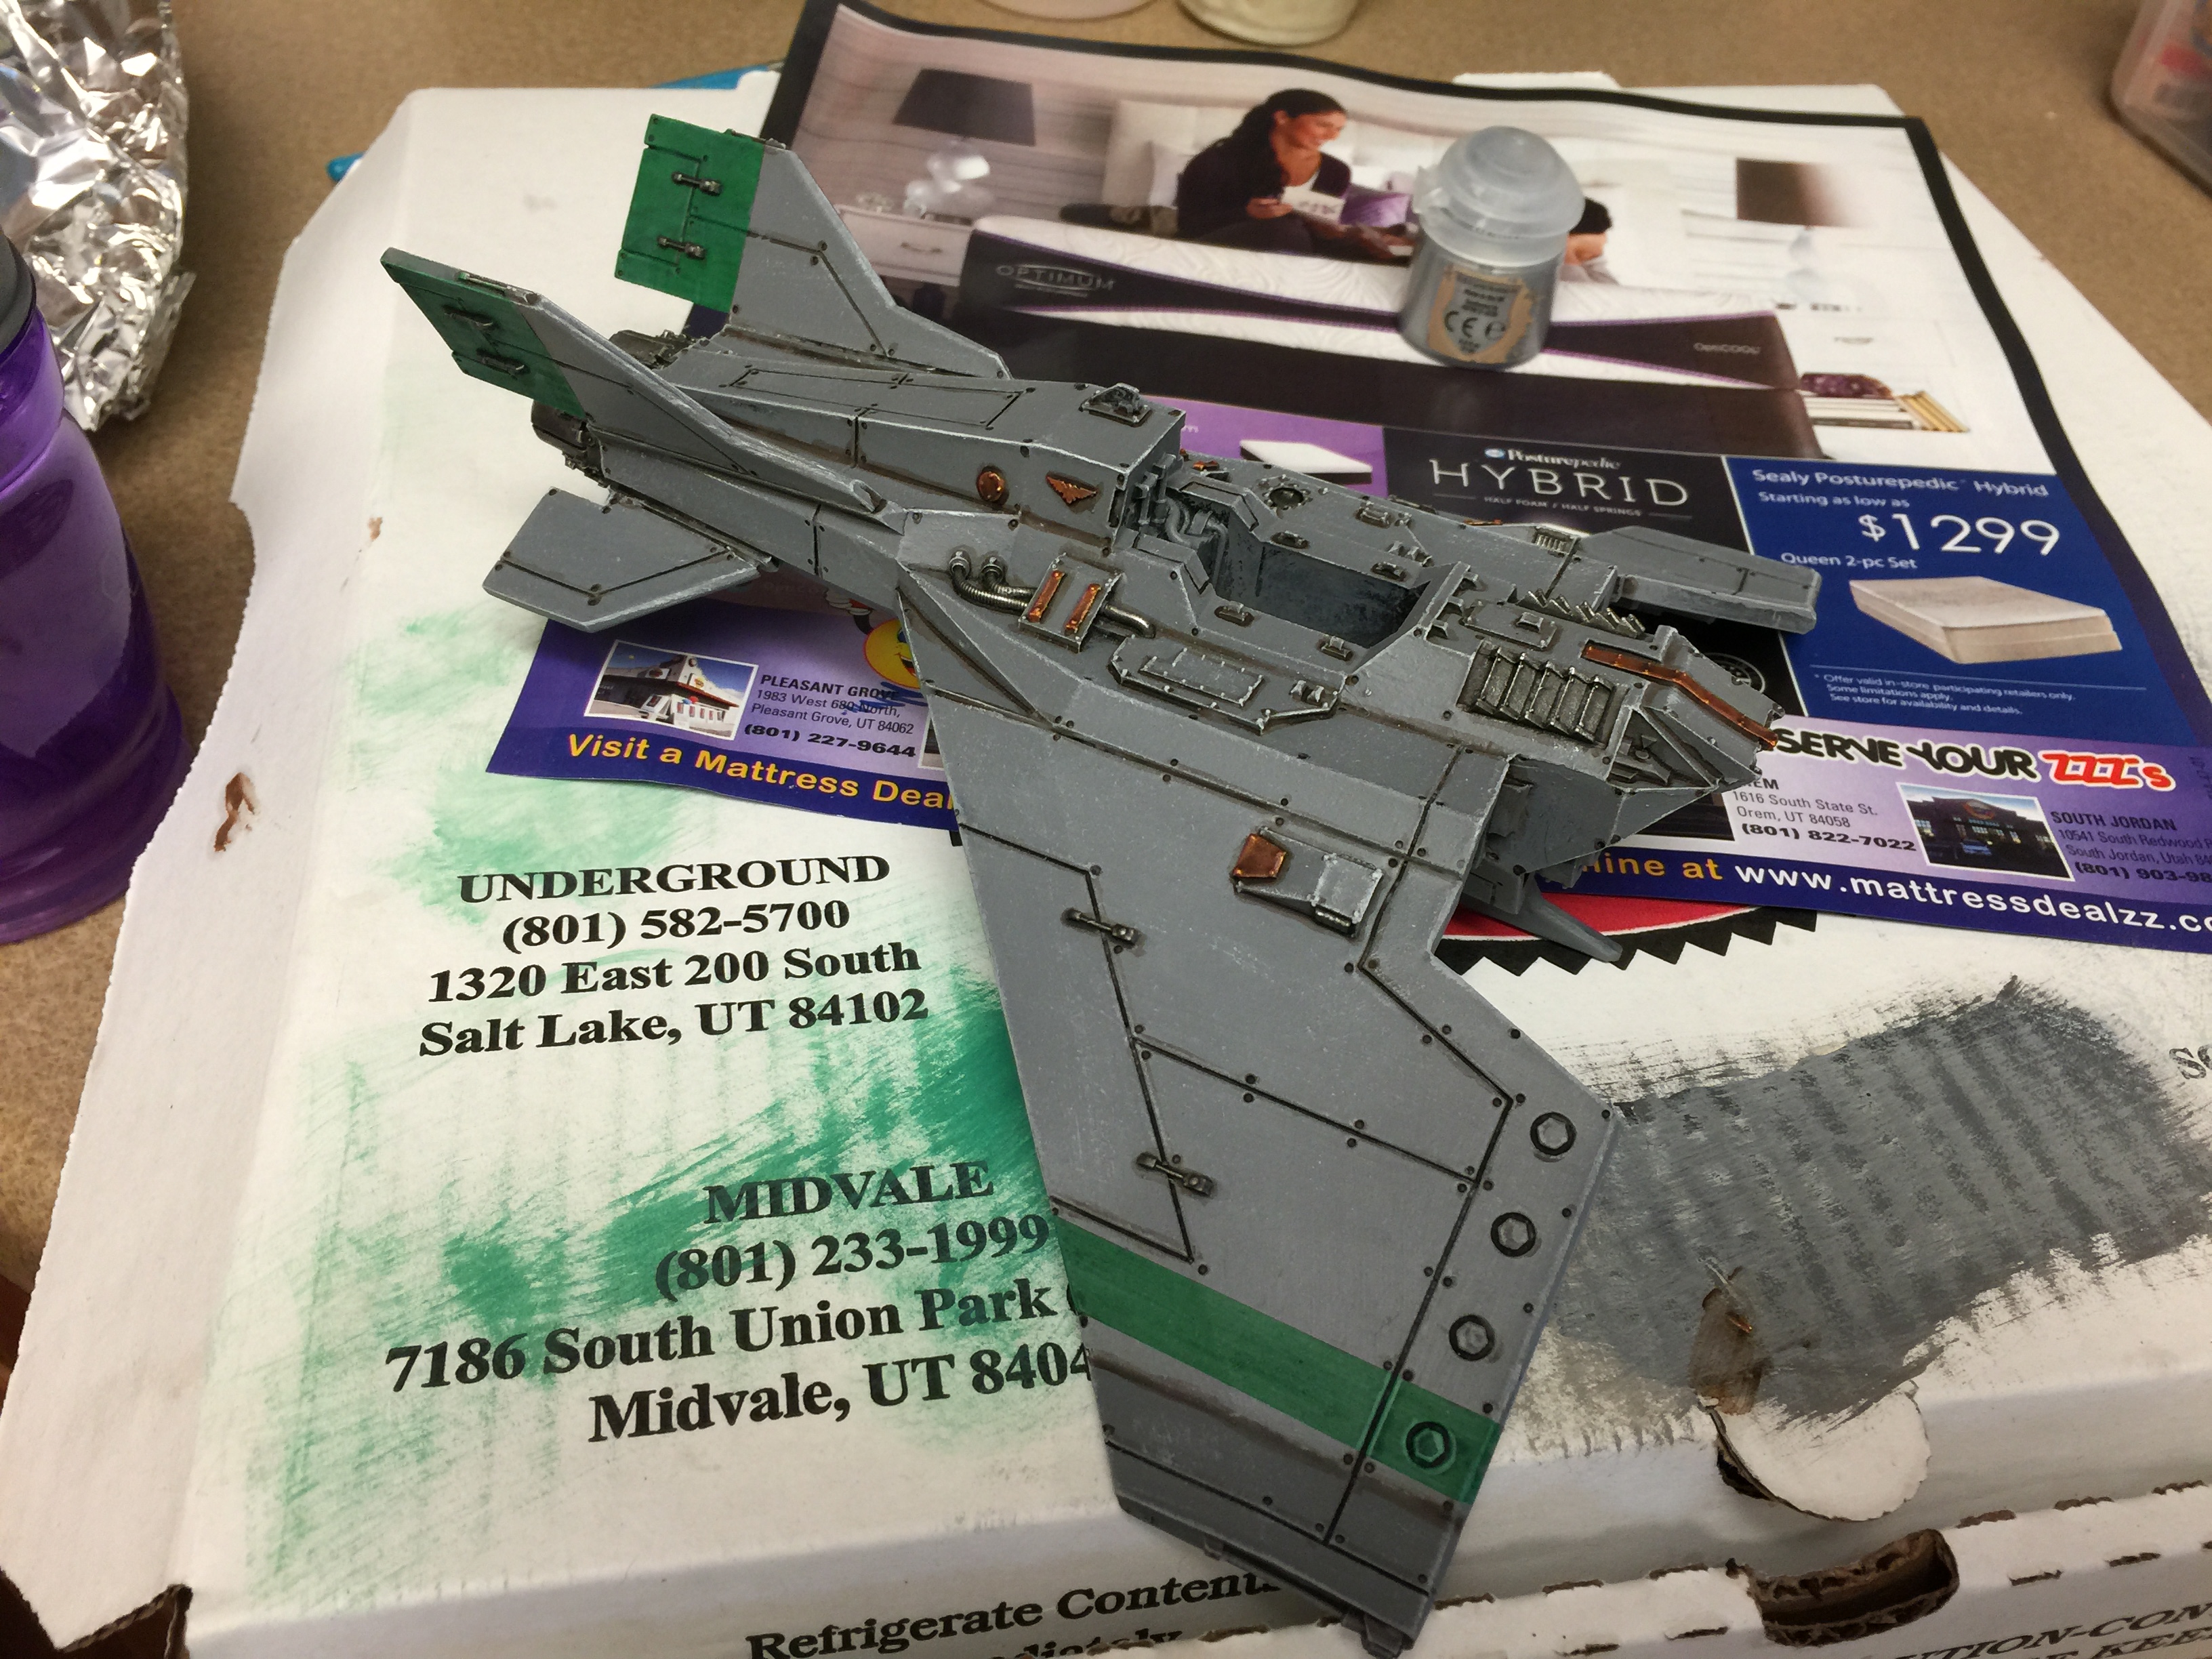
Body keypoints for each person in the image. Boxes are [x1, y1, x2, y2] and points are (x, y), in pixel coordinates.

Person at [1175, 89, 1402, 259]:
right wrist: (1247, 214)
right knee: (1285, 229)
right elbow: (1189, 225)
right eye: (1322, 125)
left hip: (1301, 249)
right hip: (1217, 247)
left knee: (1378, 251)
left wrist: (1343, 234)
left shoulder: (1336, 171)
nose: (1332, 137)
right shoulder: (1219, 160)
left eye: (1338, 129)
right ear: (1282, 118)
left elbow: (1322, 226)